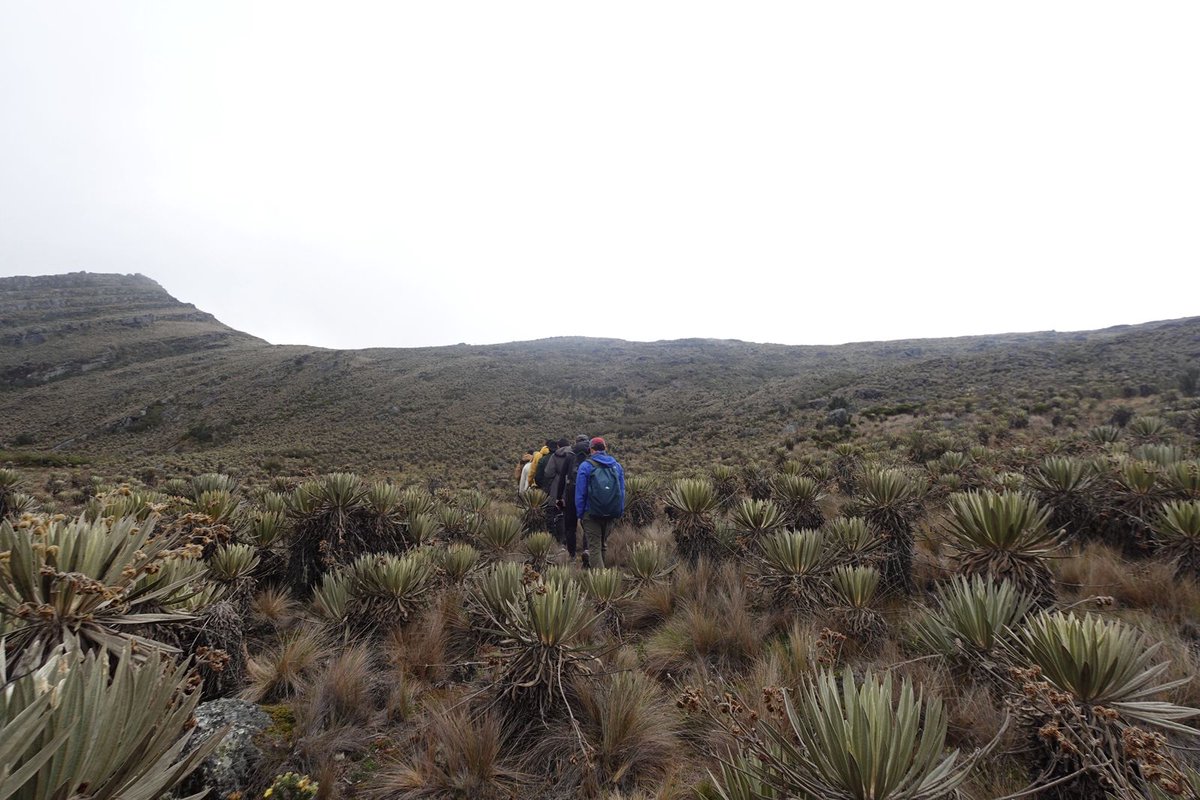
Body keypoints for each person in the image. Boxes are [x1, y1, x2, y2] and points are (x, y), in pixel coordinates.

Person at [574, 436, 625, 568]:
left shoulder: (585, 466)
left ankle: (601, 581)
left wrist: (580, 514)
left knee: (594, 547)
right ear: (605, 448)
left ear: (591, 450)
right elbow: (622, 491)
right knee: (602, 545)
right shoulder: (617, 466)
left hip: (591, 513)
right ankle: (603, 578)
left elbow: (580, 493)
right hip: (611, 512)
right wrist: (619, 511)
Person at [544, 437, 578, 554]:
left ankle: (561, 541)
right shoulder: (574, 454)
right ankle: (572, 544)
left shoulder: (555, 456)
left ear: (558, 446)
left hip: (557, 487)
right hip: (572, 487)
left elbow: (548, 473)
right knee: (571, 516)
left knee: (559, 514)